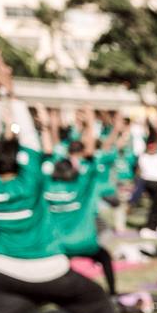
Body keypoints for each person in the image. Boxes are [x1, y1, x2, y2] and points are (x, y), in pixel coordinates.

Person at [0, 53, 124, 313]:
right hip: (45, 269)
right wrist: (10, 92)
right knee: (98, 305)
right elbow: (30, 139)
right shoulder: (31, 178)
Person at [43, 111, 120, 296]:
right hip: (84, 242)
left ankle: (56, 295)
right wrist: (90, 122)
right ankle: (113, 293)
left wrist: (48, 125)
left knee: (55, 269)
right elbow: (91, 152)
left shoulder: (47, 186)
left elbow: (48, 153)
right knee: (106, 255)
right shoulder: (80, 184)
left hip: (58, 245)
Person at [135, 130, 157, 233]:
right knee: (154, 205)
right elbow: (139, 173)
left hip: (156, 183)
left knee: (156, 205)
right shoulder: (143, 156)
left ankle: (156, 223)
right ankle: (152, 225)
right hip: (147, 182)